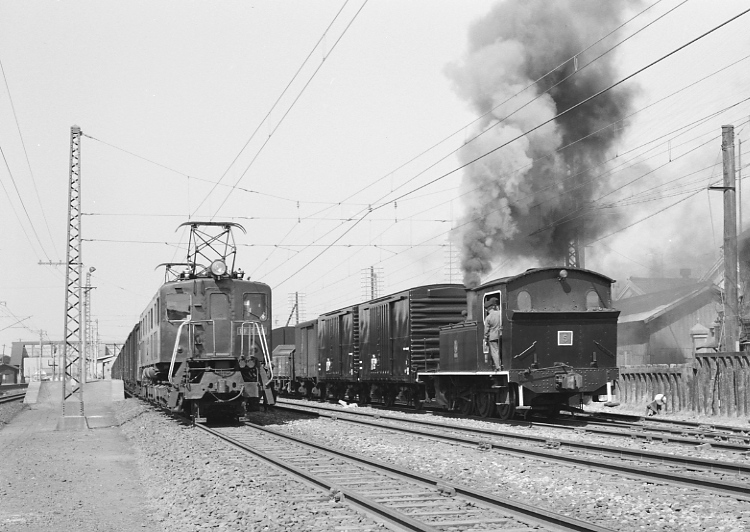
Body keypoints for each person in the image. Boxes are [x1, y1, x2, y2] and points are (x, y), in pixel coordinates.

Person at [483, 298, 502, 370]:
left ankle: (498, 366)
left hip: (493, 337)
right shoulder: (500, 313)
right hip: (500, 334)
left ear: (487, 309)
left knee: (495, 351)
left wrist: (485, 339)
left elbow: (486, 331)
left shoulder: (488, 318)